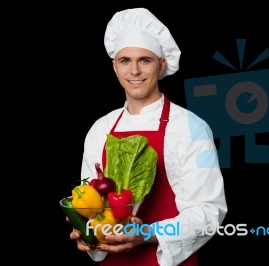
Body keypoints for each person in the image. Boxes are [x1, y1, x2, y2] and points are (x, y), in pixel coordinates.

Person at [69, 7, 227, 266]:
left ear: (161, 64)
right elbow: (90, 202)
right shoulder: (101, 128)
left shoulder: (191, 127)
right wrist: (84, 230)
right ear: (114, 66)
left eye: (145, 60)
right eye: (125, 60)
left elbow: (209, 213)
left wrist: (147, 233)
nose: (134, 71)